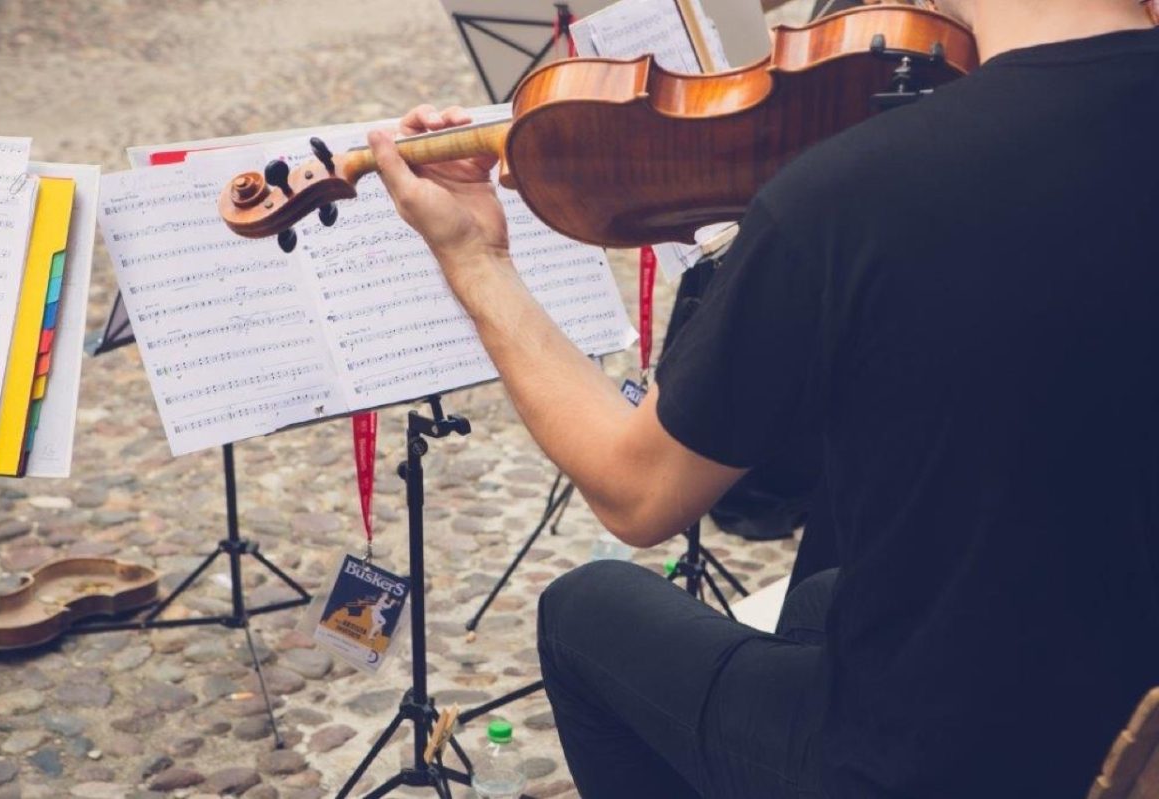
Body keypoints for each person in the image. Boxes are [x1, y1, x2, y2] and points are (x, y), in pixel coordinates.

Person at [365, 0, 1159, 795]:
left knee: (585, 610)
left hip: (956, 759)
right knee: (817, 599)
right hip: (1128, 699)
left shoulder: (854, 190)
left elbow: (636, 492)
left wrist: (475, 254)